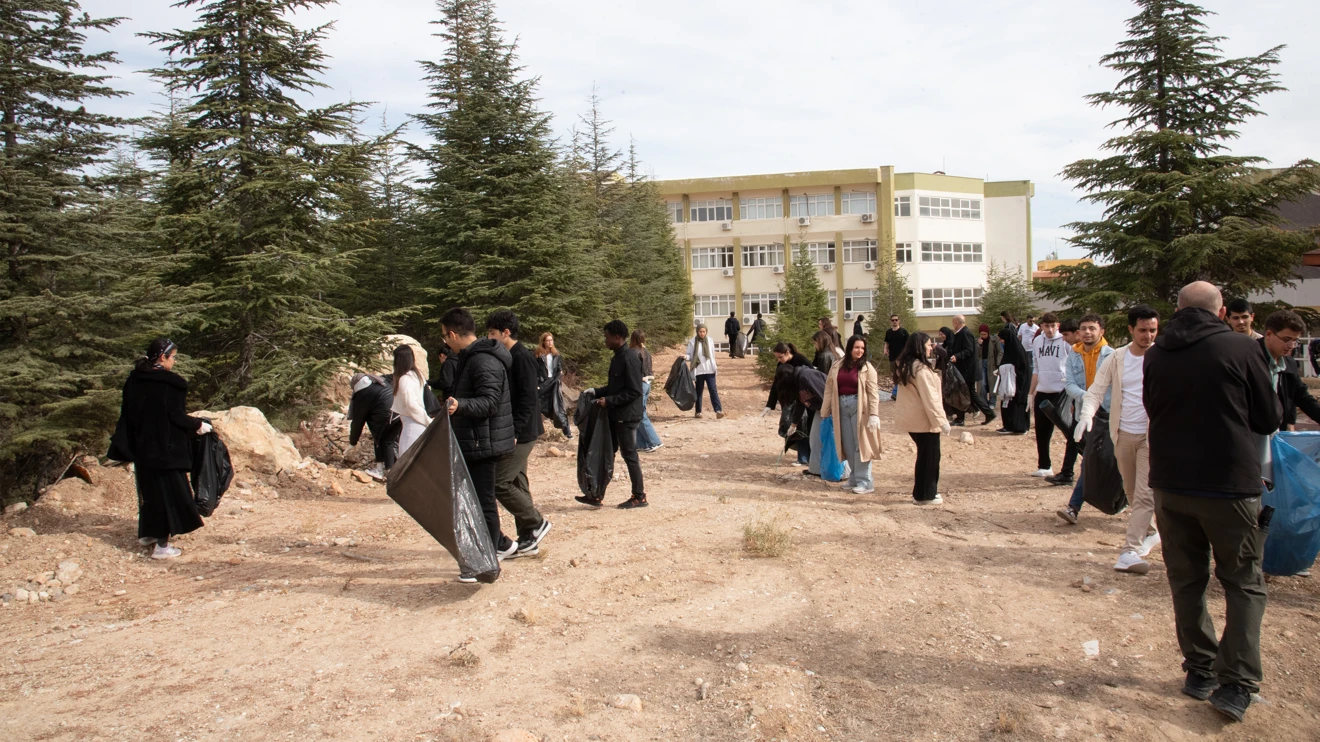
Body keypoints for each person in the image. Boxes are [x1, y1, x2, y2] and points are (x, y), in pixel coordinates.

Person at [1143, 282, 1280, 722]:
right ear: (1222, 312)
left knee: (1187, 581)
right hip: (1229, 486)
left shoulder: (1156, 352)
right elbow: (1269, 416)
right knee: (1243, 582)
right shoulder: (1241, 348)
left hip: (1170, 484)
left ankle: (1199, 671)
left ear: (1176, 310)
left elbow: (1152, 407)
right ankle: (1237, 683)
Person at [1072, 306, 1162, 576]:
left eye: (1153, 330)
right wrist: (1086, 415)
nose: (1148, 335)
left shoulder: (1163, 357)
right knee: (1133, 492)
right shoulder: (1118, 357)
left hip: (1152, 437)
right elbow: (1097, 389)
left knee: (1145, 495)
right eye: (1143, 330)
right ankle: (1152, 532)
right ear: (1131, 330)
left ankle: (1129, 551)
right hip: (1122, 434)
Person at [116, 338, 211, 559]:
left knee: (149, 493)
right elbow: (175, 416)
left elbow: (129, 414)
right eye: (173, 357)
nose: (174, 362)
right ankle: (162, 547)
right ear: (162, 357)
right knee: (169, 496)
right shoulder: (170, 383)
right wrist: (198, 425)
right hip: (166, 450)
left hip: (142, 448)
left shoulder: (134, 379)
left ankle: (147, 534)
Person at [441, 307, 519, 578]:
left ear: (452, 333)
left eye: (444, 337)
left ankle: (486, 566)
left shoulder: (482, 360)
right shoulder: (470, 357)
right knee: (477, 500)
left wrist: (460, 405)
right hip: (476, 441)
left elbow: (489, 402)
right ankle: (502, 545)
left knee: (483, 503)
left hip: (482, 444)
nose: (445, 342)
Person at [485, 310, 553, 558]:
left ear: (505, 333)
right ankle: (528, 538)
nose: (489, 337)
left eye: (492, 333)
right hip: (516, 430)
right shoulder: (508, 355)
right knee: (517, 481)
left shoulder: (521, 357)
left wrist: (514, 430)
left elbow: (528, 398)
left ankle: (536, 522)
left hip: (522, 432)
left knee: (499, 482)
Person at [581, 319, 647, 509]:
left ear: (617, 338)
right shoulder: (617, 357)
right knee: (606, 454)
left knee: (629, 455)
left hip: (627, 416)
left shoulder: (630, 357)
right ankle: (595, 495)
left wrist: (609, 401)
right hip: (615, 414)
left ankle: (639, 496)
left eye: (607, 337)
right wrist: (596, 392)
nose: (605, 341)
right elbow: (615, 387)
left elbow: (634, 391)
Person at [1054, 313, 1115, 518]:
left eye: (1092, 328)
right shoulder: (1073, 355)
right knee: (1089, 460)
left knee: (1115, 463)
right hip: (1086, 416)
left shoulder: (1112, 356)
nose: (1087, 332)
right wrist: (1088, 397)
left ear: (1101, 331)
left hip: (1109, 415)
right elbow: (1070, 384)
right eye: (1084, 328)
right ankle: (1074, 507)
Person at [894, 332, 950, 504]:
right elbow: (930, 398)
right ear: (920, 346)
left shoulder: (907, 366)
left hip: (914, 420)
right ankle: (926, 494)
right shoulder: (921, 370)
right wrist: (941, 421)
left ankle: (922, 492)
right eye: (927, 345)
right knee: (930, 457)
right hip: (925, 420)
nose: (930, 348)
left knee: (925, 456)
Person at [822, 335, 883, 494]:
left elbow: (873, 393)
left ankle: (865, 481)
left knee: (861, 445)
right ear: (849, 348)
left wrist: (874, 414)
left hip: (859, 407)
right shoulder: (837, 366)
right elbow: (829, 388)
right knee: (847, 445)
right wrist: (825, 410)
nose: (860, 351)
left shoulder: (867, 368)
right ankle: (854, 478)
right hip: (841, 406)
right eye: (857, 347)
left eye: (862, 348)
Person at [1028, 313, 1071, 477]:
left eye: (1053, 325)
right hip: (1043, 389)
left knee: (1067, 429)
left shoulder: (1065, 341)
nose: (1050, 329)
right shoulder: (1038, 341)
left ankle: (1071, 468)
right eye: (1047, 326)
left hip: (1061, 391)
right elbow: (1036, 368)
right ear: (1042, 326)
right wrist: (1031, 393)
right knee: (1041, 431)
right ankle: (1044, 465)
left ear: (1058, 325)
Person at [762, 342, 813, 464]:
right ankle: (803, 457)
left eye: (780, 357)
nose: (779, 360)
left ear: (787, 353)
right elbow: (776, 384)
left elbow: (810, 378)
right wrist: (770, 405)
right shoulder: (781, 364)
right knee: (793, 428)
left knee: (804, 428)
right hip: (789, 402)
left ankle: (805, 458)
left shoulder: (801, 361)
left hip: (804, 401)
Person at [947, 314, 996, 426]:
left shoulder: (965, 333)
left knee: (968, 393)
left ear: (956, 323)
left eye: (953, 322)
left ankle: (964, 418)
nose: (953, 325)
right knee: (965, 393)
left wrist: (957, 356)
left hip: (967, 370)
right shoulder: (961, 333)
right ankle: (984, 414)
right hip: (964, 370)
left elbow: (969, 350)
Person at [347, 372, 397, 480]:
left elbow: (358, 421)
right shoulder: (378, 382)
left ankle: (382, 471)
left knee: (380, 438)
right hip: (399, 412)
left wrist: (352, 442)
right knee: (389, 441)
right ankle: (391, 471)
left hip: (386, 415)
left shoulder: (362, 394)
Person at [389, 345, 431, 456]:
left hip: (412, 425)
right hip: (418, 424)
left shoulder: (404, 379)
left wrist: (427, 421)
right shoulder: (418, 375)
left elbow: (411, 405)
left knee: (405, 464)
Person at [534, 332, 572, 439]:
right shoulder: (538, 354)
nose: (550, 342)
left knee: (559, 407)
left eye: (551, 340)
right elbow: (535, 370)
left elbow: (559, 370)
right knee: (537, 406)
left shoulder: (556, 354)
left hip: (554, 383)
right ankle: (534, 432)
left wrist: (558, 378)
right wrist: (537, 384)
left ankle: (567, 432)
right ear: (543, 342)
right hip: (542, 384)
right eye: (548, 340)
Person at [631, 330, 663, 453]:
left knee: (640, 414)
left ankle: (654, 441)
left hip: (640, 384)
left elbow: (634, 371)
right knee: (640, 413)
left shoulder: (634, 352)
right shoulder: (646, 351)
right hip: (647, 383)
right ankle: (642, 444)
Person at [997, 320, 1031, 434]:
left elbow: (1021, 367)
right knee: (1008, 405)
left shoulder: (1017, 350)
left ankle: (1019, 427)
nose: (1001, 341)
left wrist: (1006, 369)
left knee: (1017, 404)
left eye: (1002, 339)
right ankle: (1009, 426)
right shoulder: (1010, 349)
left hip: (1018, 383)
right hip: (1011, 382)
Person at [684, 324, 725, 419]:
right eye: (700, 332)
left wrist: (714, 366)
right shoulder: (692, 342)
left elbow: (712, 355)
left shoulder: (710, 341)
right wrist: (685, 357)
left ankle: (718, 410)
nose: (702, 333)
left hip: (709, 370)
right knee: (698, 391)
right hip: (698, 370)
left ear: (706, 332)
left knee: (713, 389)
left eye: (704, 332)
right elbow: (690, 355)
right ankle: (698, 412)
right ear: (697, 331)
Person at [883, 315, 910, 401]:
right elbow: (886, 342)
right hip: (892, 357)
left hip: (902, 358)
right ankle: (897, 392)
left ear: (899, 321)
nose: (894, 321)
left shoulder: (903, 332)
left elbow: (908, 344)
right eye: (893, 320)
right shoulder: (888, 332)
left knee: (901, 374)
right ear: (890, 321)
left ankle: (896, 392)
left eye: (896, 320)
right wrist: (885, 349)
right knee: (894, 375)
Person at [979, 324, 1002, 406]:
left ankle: (992, 402)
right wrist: (979, 345)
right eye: (981, 334)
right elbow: (976, 354)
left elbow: (1000, 351)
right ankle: (984, 402)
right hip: (981, 364)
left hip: (992, 363)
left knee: (992, 383)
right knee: (982, 383)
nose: (983, 336)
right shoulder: (978, 341)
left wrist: (998, 363)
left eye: (985, 334)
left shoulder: (994, 340)